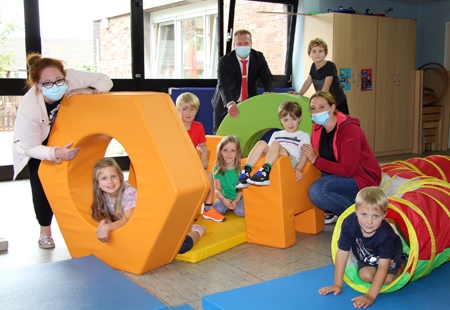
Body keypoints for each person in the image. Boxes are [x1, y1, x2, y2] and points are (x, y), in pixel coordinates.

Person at [13, 53, 114, 249]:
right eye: (48, 83)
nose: (56, 85)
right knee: (41, 184)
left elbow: (105, 80)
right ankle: (45, 230)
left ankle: (89, 222)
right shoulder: (29, 106)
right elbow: (30, 147)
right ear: (38, 84)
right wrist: (54, 153)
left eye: (59, 80)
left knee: (82, 178)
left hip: (68, 135)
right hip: (39, 145)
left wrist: (90, 89)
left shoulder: (72, 77)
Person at [91, 158, 206, 254]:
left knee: (180, 247)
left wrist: (107, 227)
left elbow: (127, 220)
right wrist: (102, 224)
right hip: (138, 229)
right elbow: (105, 214)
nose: (110, 181)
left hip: (154, 223)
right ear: (98, 184)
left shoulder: (129, 193)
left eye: (113, 176)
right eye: (104, 178)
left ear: (121, 177)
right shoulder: (104, 195)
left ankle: (196, 230)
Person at [301, 91, 381, 225]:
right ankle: (335, 209)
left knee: (317, 191)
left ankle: (358, 218)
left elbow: (347, 169)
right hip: (339, 174)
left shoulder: (349, 130)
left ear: (332, 108)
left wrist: (316, 160)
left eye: (321, 107)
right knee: (306, 178)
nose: (316, 112)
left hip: (362, 177)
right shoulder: (317, 128)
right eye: (313, 108)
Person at [319, 186, 406, 308]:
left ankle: (402, 264)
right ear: (356, 211)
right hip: (368, 255)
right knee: (365, 276)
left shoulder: (386, 236)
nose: (369, 222)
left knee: (388, 280)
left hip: (390, 254)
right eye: (364, 214)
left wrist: (370, 295)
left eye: (375, 216)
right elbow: (342, 253)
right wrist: (337, 284)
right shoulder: (349, 223)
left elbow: (383, 265)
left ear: (384, 215)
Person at [211, 29, 275, 133]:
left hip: (249, 104)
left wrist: (269, 91)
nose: (243, 46)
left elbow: (268, 78)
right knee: (221, 137)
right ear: (234, 45)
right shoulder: (224, 61)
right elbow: (223, 85)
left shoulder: (258, 58)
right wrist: (230, 104)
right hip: (226, 104)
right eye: (239, 44)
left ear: (251, 44)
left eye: (246, 43)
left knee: (248, 134)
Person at [236, 101, 310, 188]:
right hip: (276, 155)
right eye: (286, 120)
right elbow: (269, 149)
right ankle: (246, 172)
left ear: (299, 118)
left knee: (275, 144)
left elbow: (305, 155)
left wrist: (298, 169)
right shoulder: (276, 134)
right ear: (281, 120)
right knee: (261, 143)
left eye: (293, 119)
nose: (290, 123)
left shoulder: (303, 135)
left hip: (290, 159)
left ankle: (265, 172)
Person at [175, 92, 220, 222]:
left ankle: (208, 209)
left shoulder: (198, 127)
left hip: (191, 165)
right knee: (186, 183)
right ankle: (186, 210)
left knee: (209, 176)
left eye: (192, 109)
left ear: (196, 111)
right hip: (178, 166)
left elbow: (203, 145)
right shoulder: (175, 127)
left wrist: (204, 155)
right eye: (184, 109)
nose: (188, 113)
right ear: (178, 111)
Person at [290, 38, 349, 115]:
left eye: (320, 51)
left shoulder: (330, 65)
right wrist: (299, 94)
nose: (317, 54)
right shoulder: (313, 66)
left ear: (325, 53)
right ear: (309, 54)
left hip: (338, 101)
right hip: (324, 102)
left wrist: (317, 100)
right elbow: (307, 82)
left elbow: (326, 86)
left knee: (343, 122)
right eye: (314, 51)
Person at [205, 135, 245, 219]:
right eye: (225, 150)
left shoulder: (241, 167)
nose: (229, 154)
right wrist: (223, 199)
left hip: (239, 198)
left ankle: (234, 206)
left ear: (237, 152)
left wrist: (236, 201)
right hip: (225, 197)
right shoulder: (217, 168)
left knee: (240, 211)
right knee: (216, 209)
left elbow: (241, 190)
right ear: (220, 152)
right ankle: (227, 206)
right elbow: (217, 189)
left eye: (233, 151)